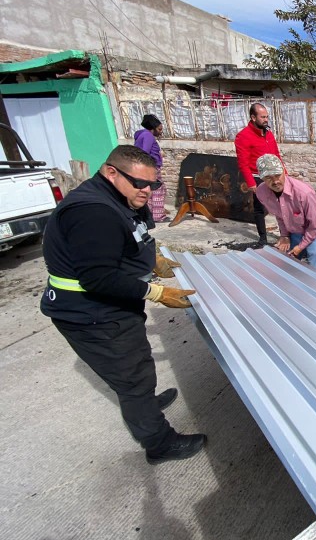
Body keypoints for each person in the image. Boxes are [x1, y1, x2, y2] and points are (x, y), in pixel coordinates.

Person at [40, 145, 206, 464]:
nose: (147, 191)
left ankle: (146, 403)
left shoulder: (125, 197)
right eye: (140, 183)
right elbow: (98, 279)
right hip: (92, 314)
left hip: (112, 306)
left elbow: (135, 236)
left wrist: (152, 259)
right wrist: (156, 293)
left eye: (153, 185)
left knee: (136, 366)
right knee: (133, 378)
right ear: (111, 172)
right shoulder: (92, 212)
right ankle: (159, 444)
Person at [254, 154, 316, 273]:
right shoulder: (261, 192)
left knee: (315, 259)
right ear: (262, 178)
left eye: (278, 175)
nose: (275, 181)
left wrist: (301, 246)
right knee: (289, 261)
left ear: (284, 171)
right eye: (268, 178)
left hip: (314, 228)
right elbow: (279, 216)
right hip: (294, 229)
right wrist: (285, 236)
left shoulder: (304, 193)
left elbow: (315, 224)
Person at [235, 103, 282, 245]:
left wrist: (284, 174)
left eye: (267, 116)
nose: (266, 119)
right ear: (253, 117)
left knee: (283, 205)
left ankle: (286, 235)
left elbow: (276, 155)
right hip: (258, 177)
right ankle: (263, 238)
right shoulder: (243, 136)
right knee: (259, 208)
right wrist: (251, 183)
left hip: (276, 175)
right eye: (263, 117)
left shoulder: (269, 133)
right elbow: (243, 163)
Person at [133, 114, 169, 223]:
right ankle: (158, 216)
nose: (160, 132)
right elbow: (145, 152)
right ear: (152, 128)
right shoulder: (148, 136)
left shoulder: (142, 135)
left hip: (145, 167)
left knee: (149, 190)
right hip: (150, 167)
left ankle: (148, 215)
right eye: (159, 129)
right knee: (158, 190)